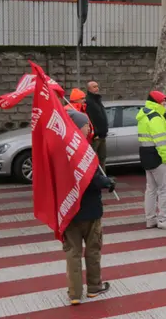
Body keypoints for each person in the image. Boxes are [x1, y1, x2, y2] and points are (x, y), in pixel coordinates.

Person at [63, 169, 115, 305]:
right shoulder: (84, 154)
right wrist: (108, 182)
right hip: (91, 212)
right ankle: (94, 287)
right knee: (93, 250)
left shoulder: (58, 157)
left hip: (69, 213)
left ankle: (74, 293)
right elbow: (94, 179)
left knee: (73, 252)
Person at [136, 91, 166, 230]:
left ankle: (150, 219)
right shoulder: (155, 118)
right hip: (159, 158)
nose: (164, 104)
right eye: (162, 102)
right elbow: (161, 141)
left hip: (147, 156)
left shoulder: (145, 116)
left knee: (151, 189)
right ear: (156, 103)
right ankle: (164, 220)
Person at [85, 81, 109, 171]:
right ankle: (95, 179)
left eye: (97, 86)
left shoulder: (97, 100)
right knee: (93, 159)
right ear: (89, 89)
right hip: (96, 137)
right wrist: (95, 133)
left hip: (102, 135)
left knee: (103, 158)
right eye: (94, 87)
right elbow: (90, 118)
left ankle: (103, 178)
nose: (97, 88)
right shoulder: (89, 102)